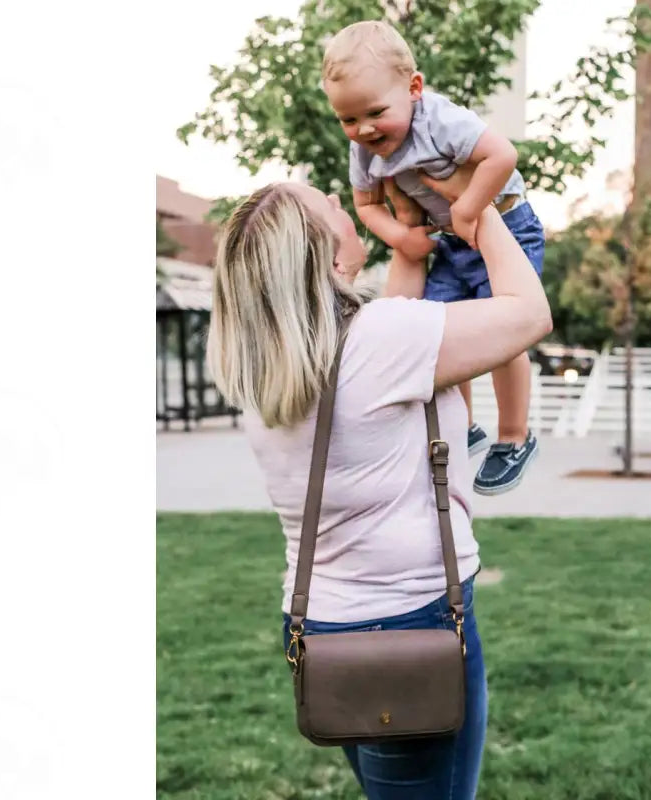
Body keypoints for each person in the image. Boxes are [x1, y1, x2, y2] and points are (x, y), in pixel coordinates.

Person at [205, 165, 551, 799]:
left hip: (322, 622)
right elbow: (528, 315)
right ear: (323, 250)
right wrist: (481, 203)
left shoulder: (269, 363)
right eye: (329, 205)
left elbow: (392, 323)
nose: (343, 202)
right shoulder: (380, 341)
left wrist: (409, 242)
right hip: (410, 626)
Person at [321, 19, 547, 496]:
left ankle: (514, 436)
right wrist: (401, 237)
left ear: (414, 88)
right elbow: (367, 204)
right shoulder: (363, 150)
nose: (363, 129)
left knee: (507, 335)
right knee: (437, 329)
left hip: (506, 225)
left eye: (375, 112)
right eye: (347, 119)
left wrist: (467, 207)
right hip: (450, 242)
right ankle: (464, 425)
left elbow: (502, 156)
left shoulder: (439, 120)